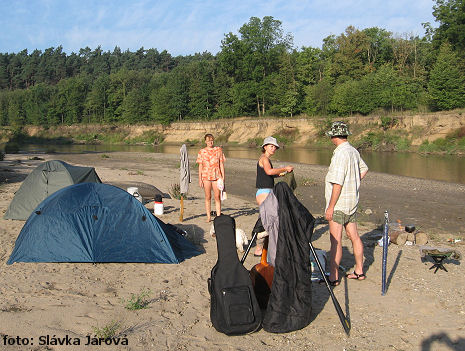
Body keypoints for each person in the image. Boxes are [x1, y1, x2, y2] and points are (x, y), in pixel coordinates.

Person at [324, 121, 368, 286]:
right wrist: (354, 182)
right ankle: (359, 271)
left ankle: (333, 277)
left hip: (339, 204)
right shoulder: (353, 151)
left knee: (335, 240)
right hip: (352, 202)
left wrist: (331, 206)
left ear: (334, 136)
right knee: (354, 236)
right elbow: (364, 169)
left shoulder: (341, 153)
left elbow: (338, 183)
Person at [255, 136, 294, 256]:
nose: (273, 149)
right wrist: (284, 168)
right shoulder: (264, 159)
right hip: (264, 192)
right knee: (268, 220)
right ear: (265, 147)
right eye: (271, 146)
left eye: (275, 147)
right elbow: (269, 172)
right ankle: (259, 247)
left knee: (268, 218)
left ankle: (261, 248)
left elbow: (268, 174)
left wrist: (281, 174)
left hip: (266, 191)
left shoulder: (265, 159)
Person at [196, 134, 226, 223]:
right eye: (208, 141)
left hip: (217, 175)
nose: (210, 142)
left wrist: (223, 177)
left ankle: (218, 215)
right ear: (205, 141)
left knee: (217, 196)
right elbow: (200, 166)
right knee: (208, 196)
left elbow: (221, 164)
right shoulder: (202, 151)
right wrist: (200, 179)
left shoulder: (218, 150)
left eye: (212, 140)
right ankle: (208, 216)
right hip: (206, 176)